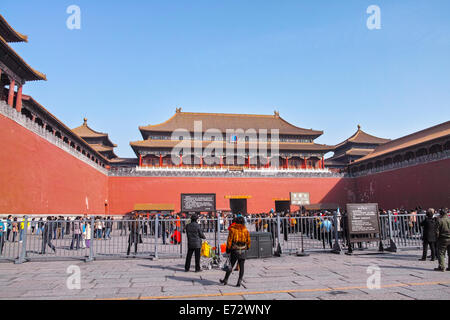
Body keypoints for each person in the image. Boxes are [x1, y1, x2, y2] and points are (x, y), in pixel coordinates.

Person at [220, 216, 251, 287]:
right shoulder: (245, 230)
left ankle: (225, 279)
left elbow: (229, 240)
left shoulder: (233, 229)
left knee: (231, 265)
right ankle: (239, 282)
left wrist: (228, 249)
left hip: (235, 250)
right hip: (242, 250)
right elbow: (248, 240)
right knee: (242, 267)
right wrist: (247, 247)